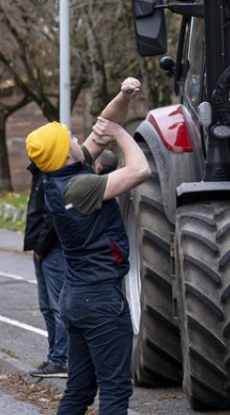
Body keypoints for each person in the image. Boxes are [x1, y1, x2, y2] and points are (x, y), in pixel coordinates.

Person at [26, 78, 149, 415]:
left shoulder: (54, 177)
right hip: (100, 301)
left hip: (78, 297)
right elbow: (140, 170)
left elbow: (100, 130)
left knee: (79, 390)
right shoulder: (79, 188)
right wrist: (123, 135)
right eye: (73, 138)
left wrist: (122, 98)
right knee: (115, 390)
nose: (80, 138)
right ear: (66, 151)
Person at [24, 159, 68, 379]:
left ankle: (61, 360)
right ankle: (55, 357)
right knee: (47, 307)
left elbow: (52, 217)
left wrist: (40, 247)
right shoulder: (40, 173)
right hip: (43, 249)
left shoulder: (51, 175)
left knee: (57, 306)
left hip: (52, 249)